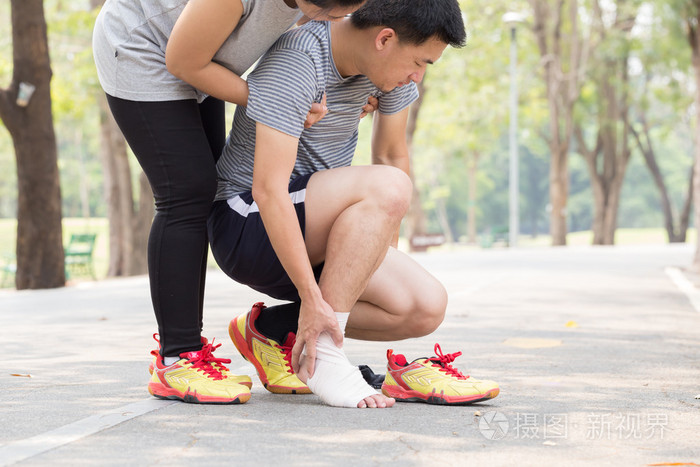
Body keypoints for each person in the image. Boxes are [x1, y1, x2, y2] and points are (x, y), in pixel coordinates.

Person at [208, 0, 498, 409]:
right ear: (384, 39)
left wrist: (373, 260)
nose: (417, 76)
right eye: (419, 62)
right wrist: (311, 296)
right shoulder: (300, 58)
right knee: (389, 186)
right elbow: (268, 189)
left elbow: (392, 156)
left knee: (422, 307)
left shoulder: (385, 75)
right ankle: (324, 356)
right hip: (246, 225)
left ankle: (270, 329)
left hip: (314, 228)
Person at [92, 0, 370, 405]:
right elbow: (182, 61)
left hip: (207, 57)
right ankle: (178, 358)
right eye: (329, 12)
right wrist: (275, 100)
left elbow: (325, 43)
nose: (335, 20)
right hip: (145, 49)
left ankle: (264, 339)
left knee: (207, 188)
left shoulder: (327, 5)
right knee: (186, 193)